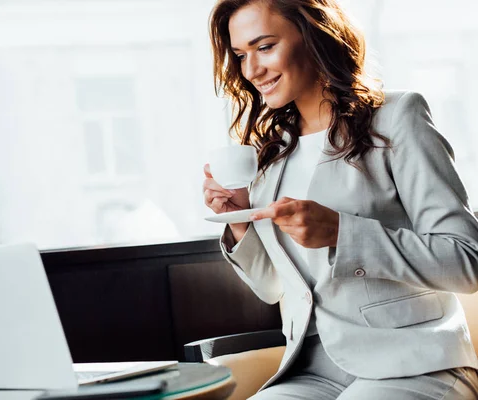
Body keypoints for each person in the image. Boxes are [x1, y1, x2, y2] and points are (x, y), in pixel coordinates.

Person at [202, 0, 478, 398]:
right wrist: (239, 221)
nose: (251, 70)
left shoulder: (398, 117)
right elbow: (272, 288)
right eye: (241, 55)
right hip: (312, 370)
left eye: (264, 47)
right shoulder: (272, 153)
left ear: (314, 34)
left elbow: (467, 260)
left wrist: (342, 234)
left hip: (414, 363)